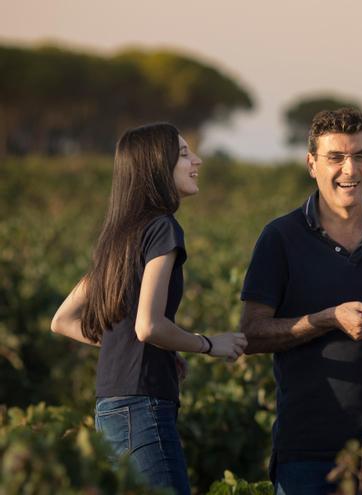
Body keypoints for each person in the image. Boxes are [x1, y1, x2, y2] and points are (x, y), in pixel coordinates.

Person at [239, 108, 362, 495]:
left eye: (360, 155)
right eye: (336, 158)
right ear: (312, 164)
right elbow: (252, 334)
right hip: (306, 448)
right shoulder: (280, 237)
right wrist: (326, 319)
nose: (350, 169)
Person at [51, 123, 248, 495]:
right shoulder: (162, 230)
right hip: (141, 409)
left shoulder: (118, 237)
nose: (197, 160)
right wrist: (209, 343)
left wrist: (143, 351)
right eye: (185, 154)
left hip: (109, 410)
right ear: (157, 165)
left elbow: (62, 321)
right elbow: (148, 326)